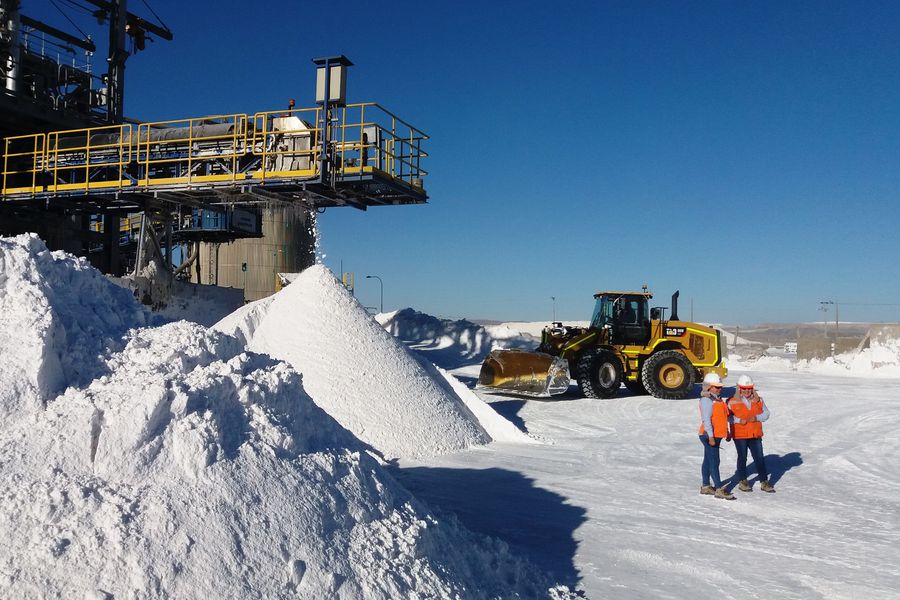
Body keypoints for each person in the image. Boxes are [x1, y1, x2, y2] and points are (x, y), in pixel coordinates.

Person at [728, 374, 775, 493]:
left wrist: (756, 418)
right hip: (740, 435)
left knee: (759, 459)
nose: (747, 391)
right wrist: (739, 420)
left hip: (755, 434)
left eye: (749, 388)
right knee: (742, 458)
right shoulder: (731, 401)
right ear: (739, 388)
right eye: (744, 388)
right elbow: (728, 417)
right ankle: (743, 481)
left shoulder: (758, 400)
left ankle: (764, 482)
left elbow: (767, 414)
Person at [698, 372, 735, 500]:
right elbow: (706, 420)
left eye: (720, 387)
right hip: (708, 435)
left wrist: (728, 432)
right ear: (709, 387)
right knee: (714, 461)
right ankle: (719, 488)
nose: (719, 389)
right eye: (716, 387)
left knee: (708, 460)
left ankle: (705, 486)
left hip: (716, 435)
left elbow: (723, 418)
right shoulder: (707, 400)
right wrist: (711, 437)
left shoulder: (717, 399)